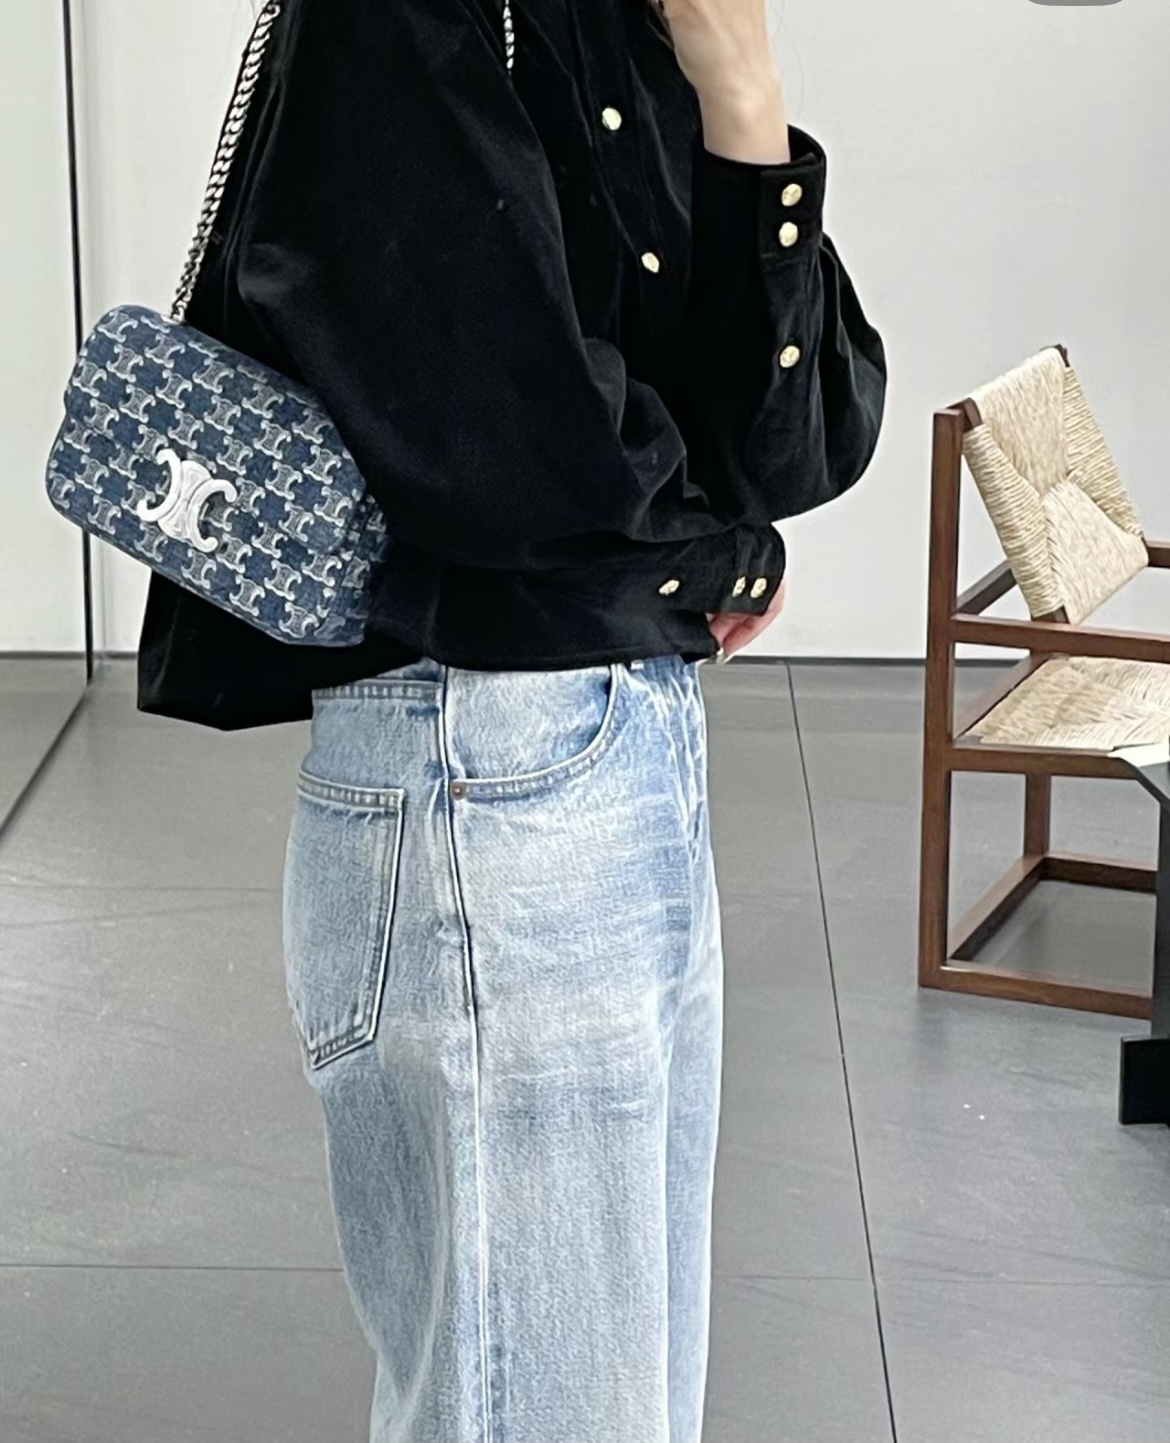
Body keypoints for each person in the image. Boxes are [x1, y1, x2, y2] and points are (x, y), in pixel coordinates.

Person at [137, 0, 886, 1437]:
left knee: (610, 1397)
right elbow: (504, 446)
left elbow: (800, 438)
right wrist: (713, 556)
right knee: (544, 1405)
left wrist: (741, 96)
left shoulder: (646, 29)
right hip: (482, 762)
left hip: (621, 739)